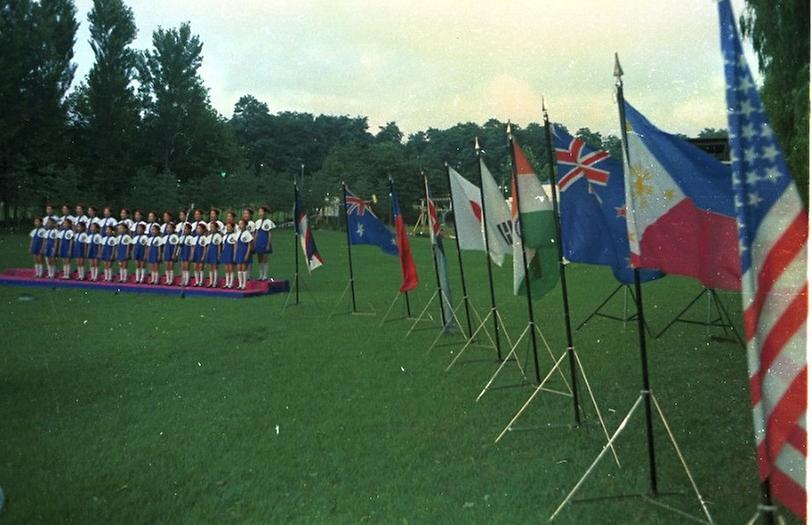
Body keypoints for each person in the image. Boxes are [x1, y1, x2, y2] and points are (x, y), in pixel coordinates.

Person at [254, 205, 274, 280]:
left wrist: (268, 244)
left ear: (265, 213)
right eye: (259, 212)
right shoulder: (257, 222)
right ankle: (261, 274)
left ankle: (265, 275)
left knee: (265, 258)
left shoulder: (268, 222)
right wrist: (255, 242)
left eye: (261, 212)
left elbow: (269, 233)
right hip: (259, 241)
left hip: (265, 241)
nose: (260, 213)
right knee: (259, 258)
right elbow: (256, 233)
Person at [235, 219, 253, 290]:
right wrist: (235, 252)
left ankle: (244, 284)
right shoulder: (238, 233)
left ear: (245, 225)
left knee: (243, 268)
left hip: (244, 251)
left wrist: (247, 254)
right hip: (239, 252)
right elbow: (236, 244)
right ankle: (240, 283)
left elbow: (249, 245)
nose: (240, 226)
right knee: (239, 268)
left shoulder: (247, 233)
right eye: (239, 224)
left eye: (242, 224)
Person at [204, 222, 221, 287]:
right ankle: (211, 282)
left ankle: (215, 282)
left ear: (216, 228)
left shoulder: (218, 236)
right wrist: (206, 254)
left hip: (215, 252)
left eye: (213, 227)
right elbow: (207, 246)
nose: (212, 228)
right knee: (210, 268)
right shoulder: (209, 236)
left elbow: (219, 245)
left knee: (215, 267)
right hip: (210, 252)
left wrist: (219, 254)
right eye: (211, 227)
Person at [221, 222, 237, 288]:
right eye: (227, 227)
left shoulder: (234, 236)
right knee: (226, 268)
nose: (228, 228)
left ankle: (231, 283)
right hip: (226, 253)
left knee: (231, 268)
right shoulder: (224, 236)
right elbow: (224, 245)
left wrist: (234, 254)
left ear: (233, 228)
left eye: (229, 227)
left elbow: (235, 245)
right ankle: (227, 283)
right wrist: (222, 252)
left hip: (231, 252)